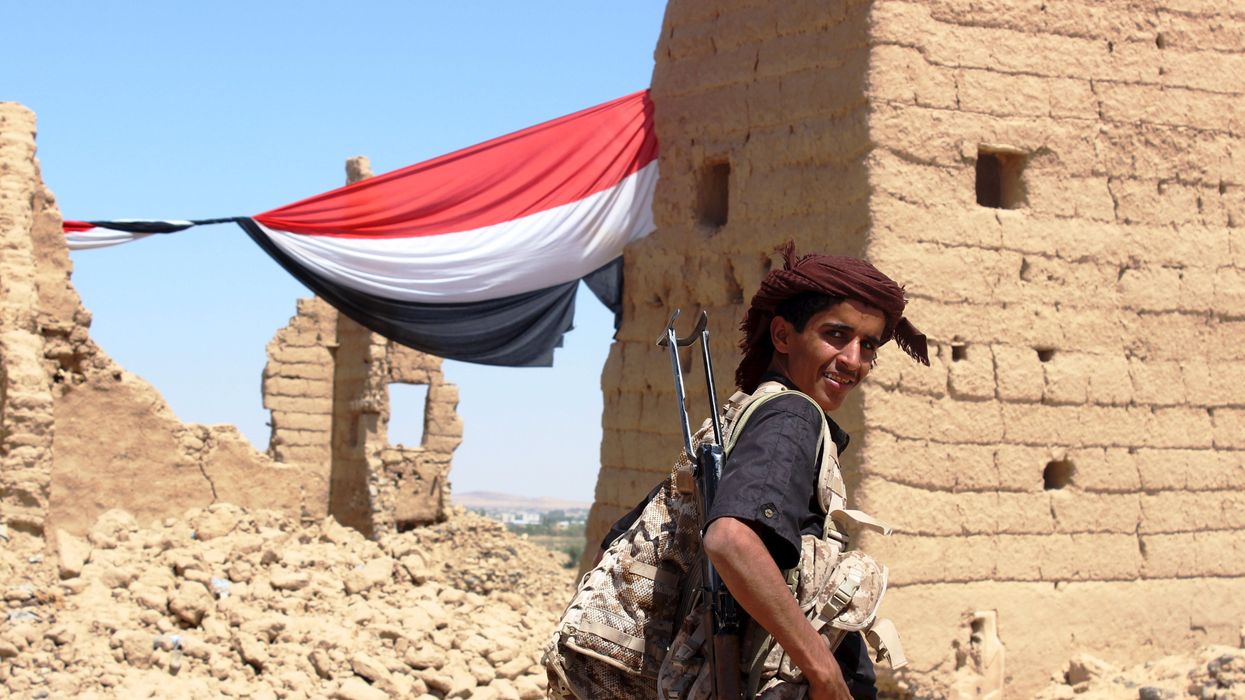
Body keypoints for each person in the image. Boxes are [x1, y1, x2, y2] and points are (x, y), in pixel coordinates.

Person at [581, 244, 928, 699]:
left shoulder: (747, 413)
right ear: (783, 337)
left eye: (869, 346)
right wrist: (823, 670)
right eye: (837, 335)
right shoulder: (792, 416)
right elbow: (731, 538)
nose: (853, 360)